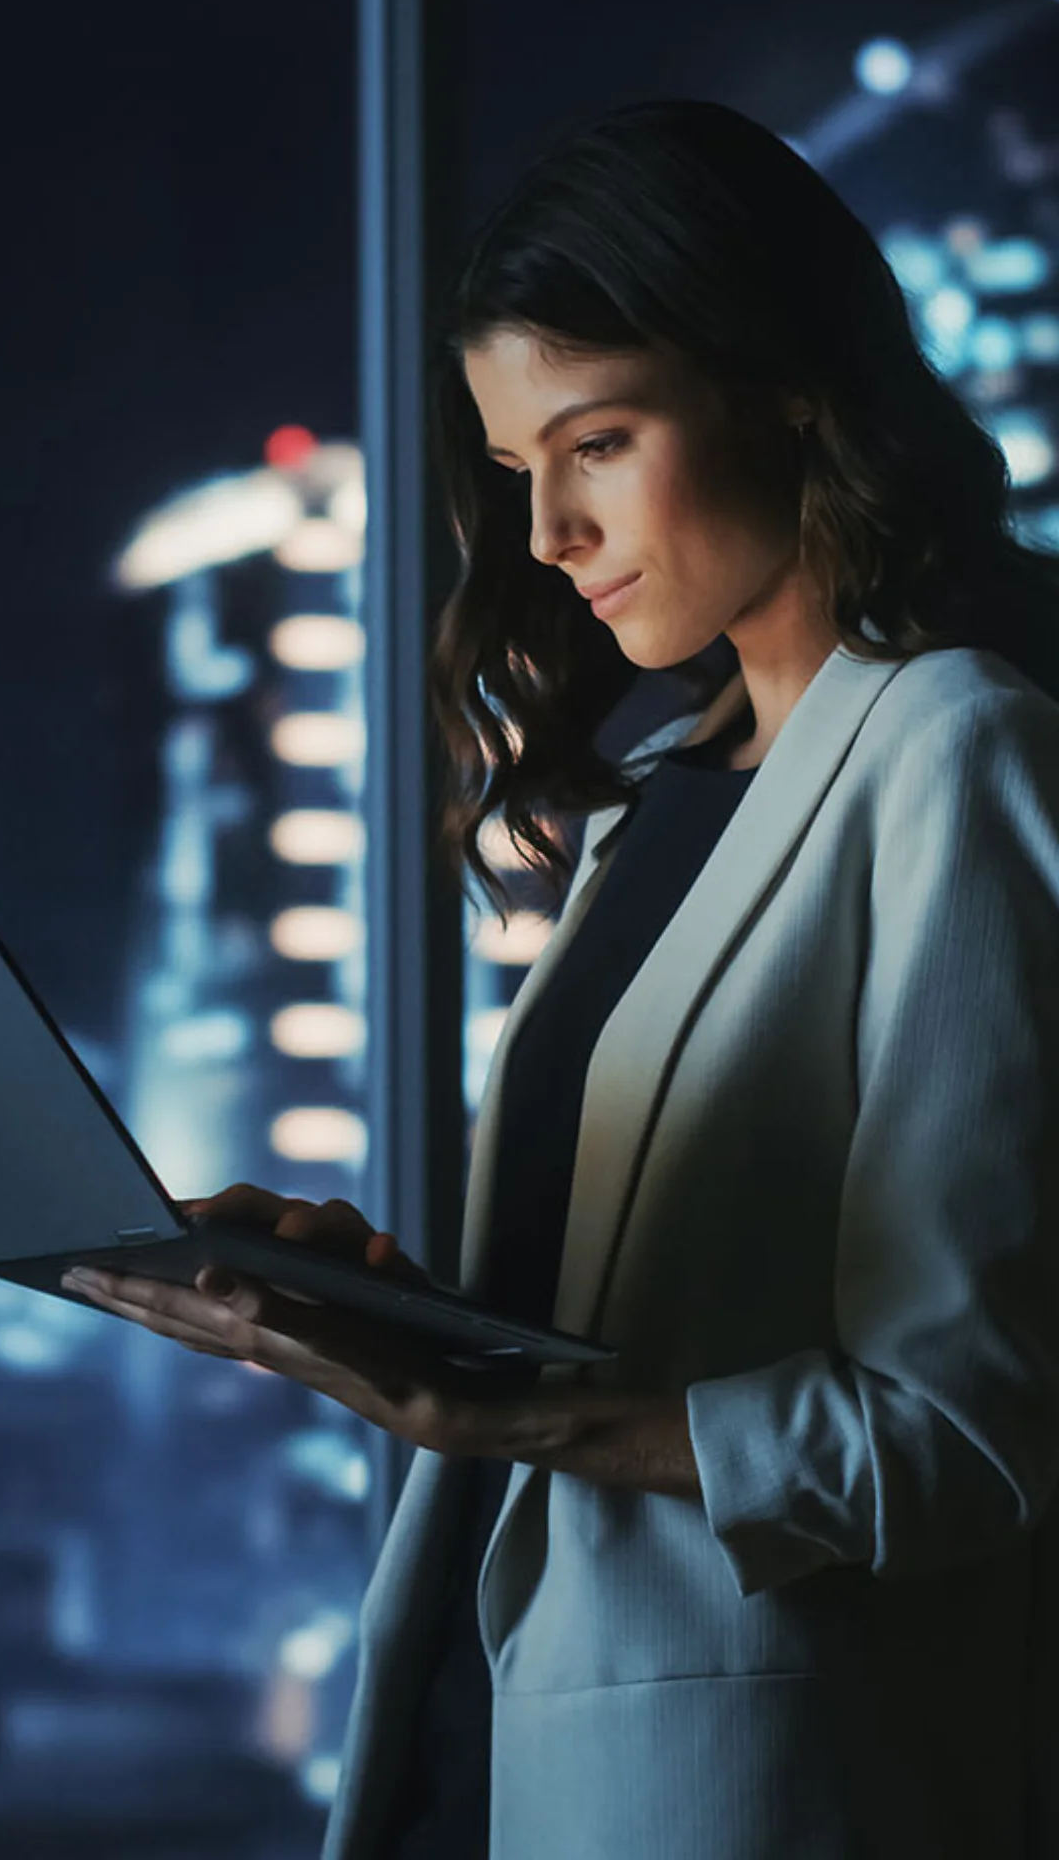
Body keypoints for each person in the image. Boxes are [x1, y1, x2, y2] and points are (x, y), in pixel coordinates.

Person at [60, 98, 1059, 1858]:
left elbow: (970, 1439)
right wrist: (406, 1313)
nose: (548, 532)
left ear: (791, 391)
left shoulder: (960, 753)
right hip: (488, 1721)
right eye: (520, 466)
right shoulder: (656, 814)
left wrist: (507, 1405)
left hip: (756, 1780)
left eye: (596, 442)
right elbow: (659, 1316)